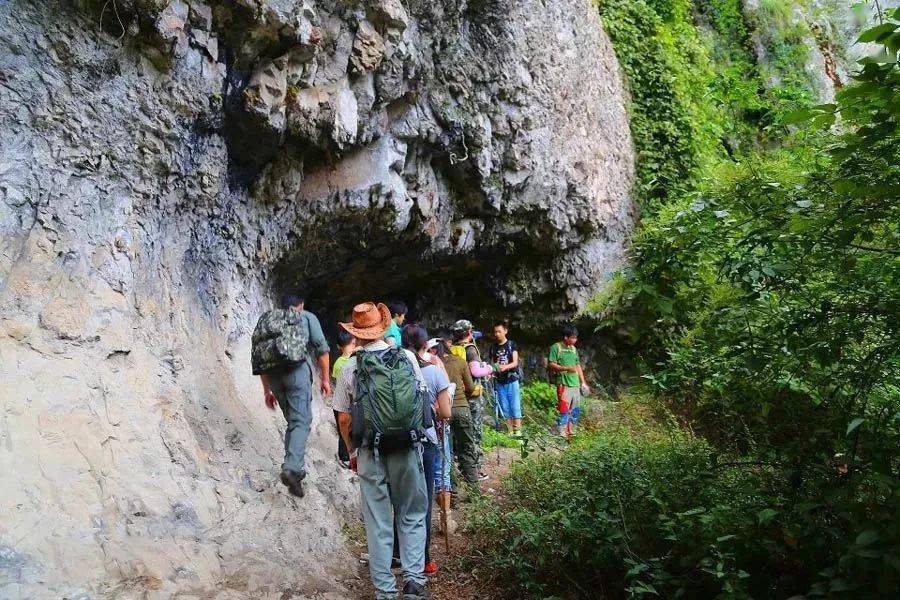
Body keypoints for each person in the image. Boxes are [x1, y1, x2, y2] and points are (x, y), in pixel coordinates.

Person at [332, 302, 430, 600]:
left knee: (378, 521)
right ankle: (413, 582)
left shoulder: (351, 367)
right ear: (383, 328)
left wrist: (351, 453)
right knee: (412, 513)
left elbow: (344, 417)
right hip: (408, 447)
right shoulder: (408, 358)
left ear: (356, 335)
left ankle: (385, 591)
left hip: (370, 452)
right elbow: (422, 399)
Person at [255, 293, 330, 498]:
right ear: (301, 304)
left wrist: (267, 390)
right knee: (301, 421)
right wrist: (325, 379)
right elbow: (322, 350)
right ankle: (292, 468)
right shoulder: (306, 317)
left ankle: (292, 467)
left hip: (273, 376)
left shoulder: (270, 321)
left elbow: (262, 356)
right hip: (296, 372)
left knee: (293, 422)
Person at [402, 325, 452, 575]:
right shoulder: (432, 371)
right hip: (426, 441)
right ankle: (423, 559)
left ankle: (398, 555)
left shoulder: (395, 369)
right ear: (426, 346)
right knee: (423, 501)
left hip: (398, 442)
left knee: (402, 500)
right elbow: (445, 412)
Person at [450, 319, 493, 480]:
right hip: (472, 397)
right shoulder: (470, 349)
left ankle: (460, 467)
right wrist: (489, 368)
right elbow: (475, 371)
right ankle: (476, 470)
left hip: (457, 398)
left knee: (458, 434)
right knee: (474, 433)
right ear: (469, 332)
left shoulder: (451, 348)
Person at [436, 336, 479, 486]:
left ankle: (451, 492)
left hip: (443, 412)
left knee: (447, 454)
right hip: (462, 409)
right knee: (467, 449)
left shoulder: (434, 364)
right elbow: (471, 387)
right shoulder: (460, 361)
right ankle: (474, 490)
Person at [548, 325, 590, 440]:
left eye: (576, 338)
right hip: (563, 384)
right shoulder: (556, 347)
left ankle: (572, 433)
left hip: (575, 384)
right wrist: (565, 368)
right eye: (573, 337)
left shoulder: (573, 349)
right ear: (566, 337)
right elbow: (551, 364)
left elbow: (577, 366)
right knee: (564, 410)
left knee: (575, 410)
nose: (575, 340)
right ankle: (562, 434)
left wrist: (583, 382)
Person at [488, 320, 522, 435]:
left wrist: (505, 367)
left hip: (512, 380)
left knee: (515, 406)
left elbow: (515, 362)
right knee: (504, 407)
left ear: (505, 331)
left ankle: (518, 433)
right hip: (499, 381)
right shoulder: (493, 347)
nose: (497, 334)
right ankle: (510, 432)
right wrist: (491, 371)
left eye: (499, 331)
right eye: (495, 332)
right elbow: (492, 363)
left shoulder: (511, 345)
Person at [331, 328, 356, 469]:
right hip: (352, 401)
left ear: (338, 347)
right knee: (350, 427)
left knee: (343, 430)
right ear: (353, 342)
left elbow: (336, 382)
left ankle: (344, 456)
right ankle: (348, 455)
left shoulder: (338, 363)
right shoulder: (354, 362)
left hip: (339, 400)